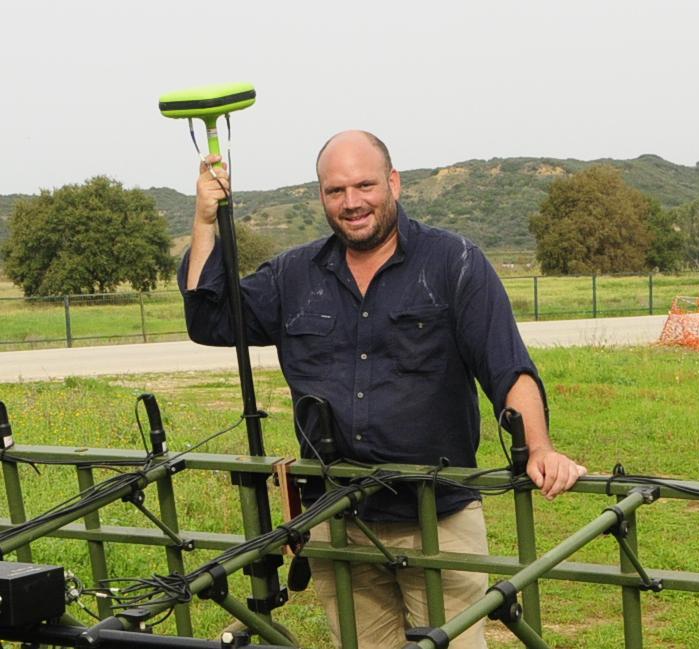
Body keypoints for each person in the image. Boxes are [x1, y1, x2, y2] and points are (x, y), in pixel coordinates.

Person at [179, 130, 586, 649]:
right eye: (335, 191)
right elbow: (210, 320)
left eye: (365, 185)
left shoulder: (453, 263)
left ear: (393, 182)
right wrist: (205, 219)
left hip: (438, 516)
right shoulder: (294, 275)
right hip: (337, 519)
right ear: (321, 196)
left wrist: (542, 448)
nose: (352, 203)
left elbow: (509, 367)